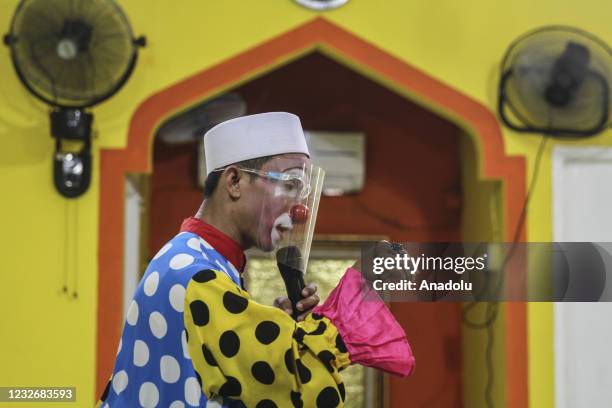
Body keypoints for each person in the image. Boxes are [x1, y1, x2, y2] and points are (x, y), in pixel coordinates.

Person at [98, 112, 414, 408]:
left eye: (302, 191)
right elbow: (298, 387)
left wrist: (272, 336)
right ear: (234, 182)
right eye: (289, 184)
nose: (298, 207)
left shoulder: (188, 258)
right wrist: (353, 302)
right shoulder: (198, 276)